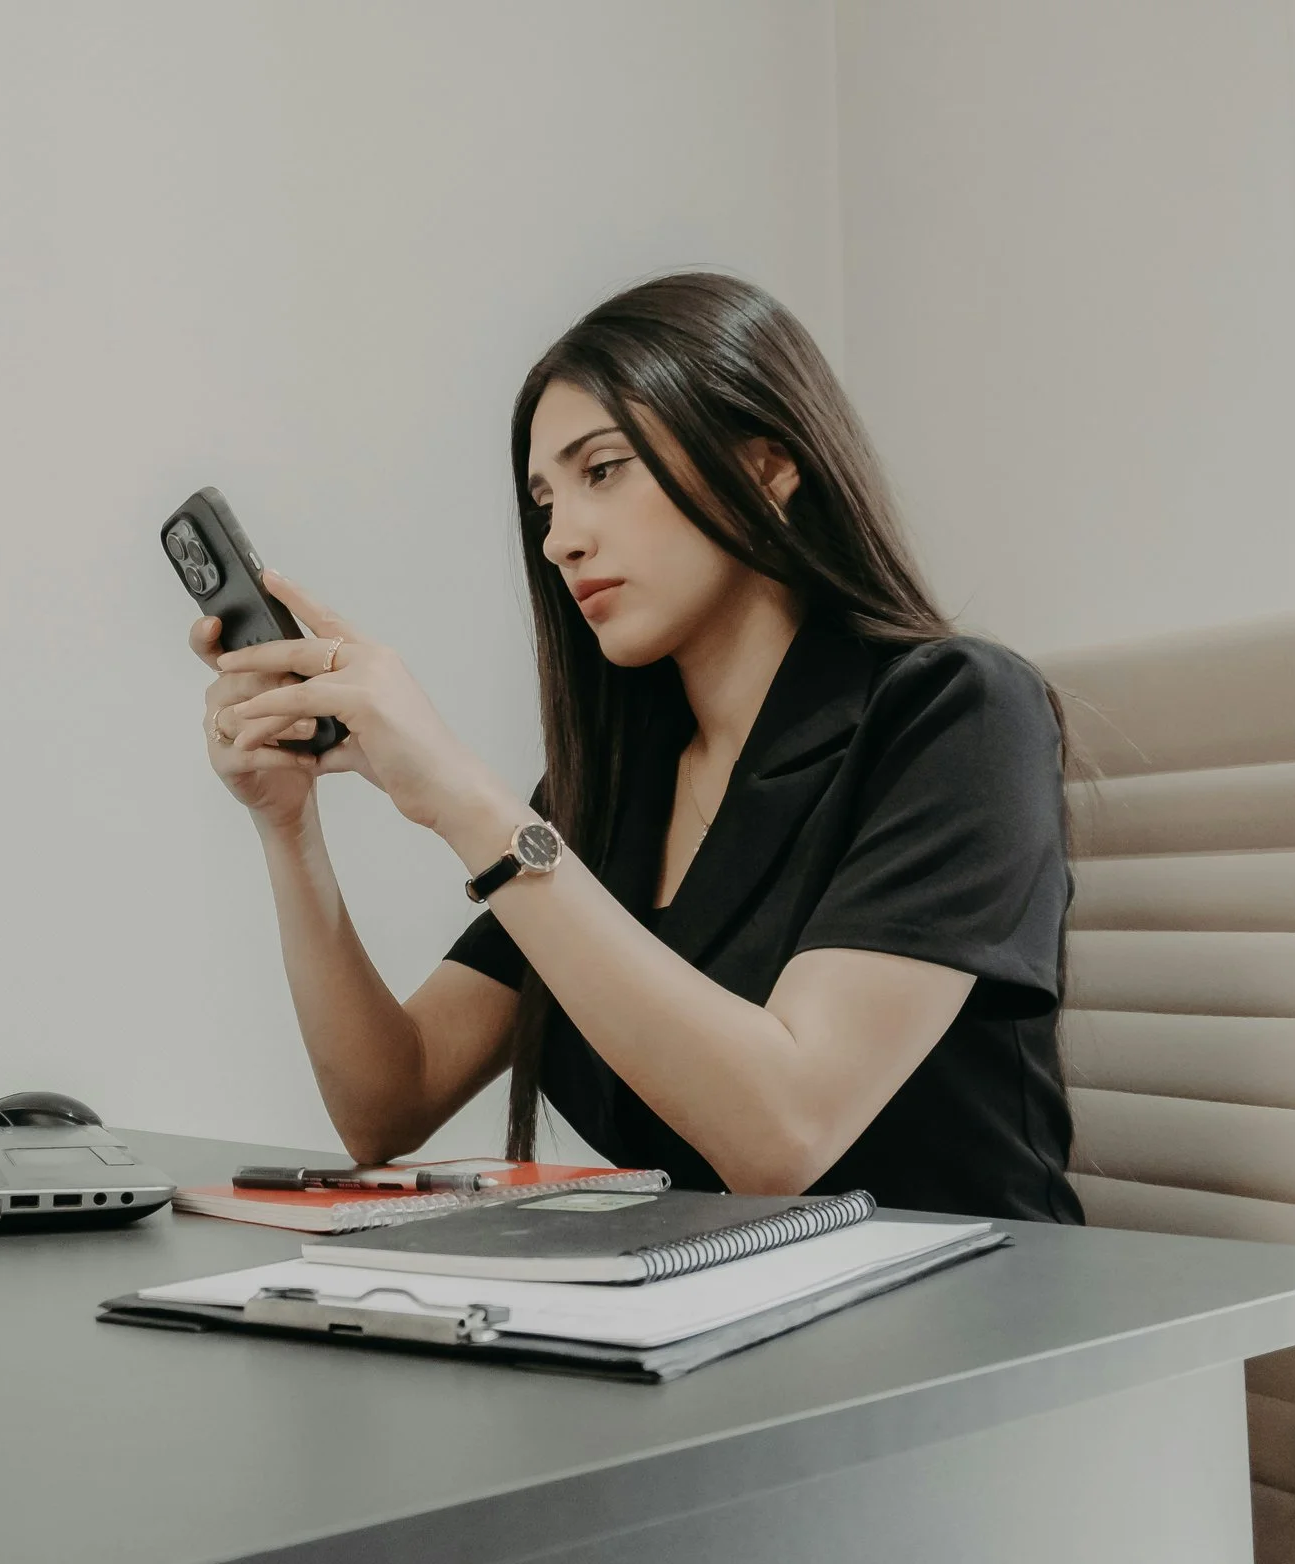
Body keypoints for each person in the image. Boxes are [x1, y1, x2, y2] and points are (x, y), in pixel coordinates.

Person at [189, 272, 1082, 1223]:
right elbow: (389, 1099)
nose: (560, 540)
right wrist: (288, 828)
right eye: (543, 499)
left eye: (602, 470)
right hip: (703, 1317)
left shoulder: (961, 713)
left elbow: (783, 1132)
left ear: (769, 465)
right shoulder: (617, 781)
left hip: (969, 1327)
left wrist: (465, 798)